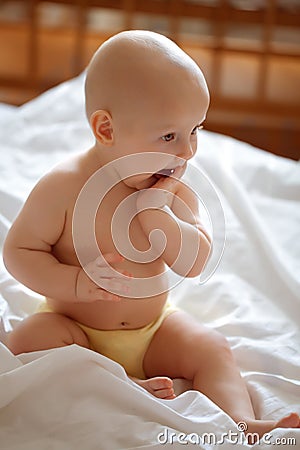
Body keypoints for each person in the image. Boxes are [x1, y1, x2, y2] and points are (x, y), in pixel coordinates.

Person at [3, 30, 299, 438]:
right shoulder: (63, 188)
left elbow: (194, 264)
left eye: (195, 130)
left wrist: (159, 216)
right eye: (169, 136)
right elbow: (19, 251)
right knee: (31, 340)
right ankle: (121, 387)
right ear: (106, 130)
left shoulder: (172, 186)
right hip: (74, 325)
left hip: (153, 329)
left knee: (212, 348)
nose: (187, 151)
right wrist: (74, 281)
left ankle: (242, 421)